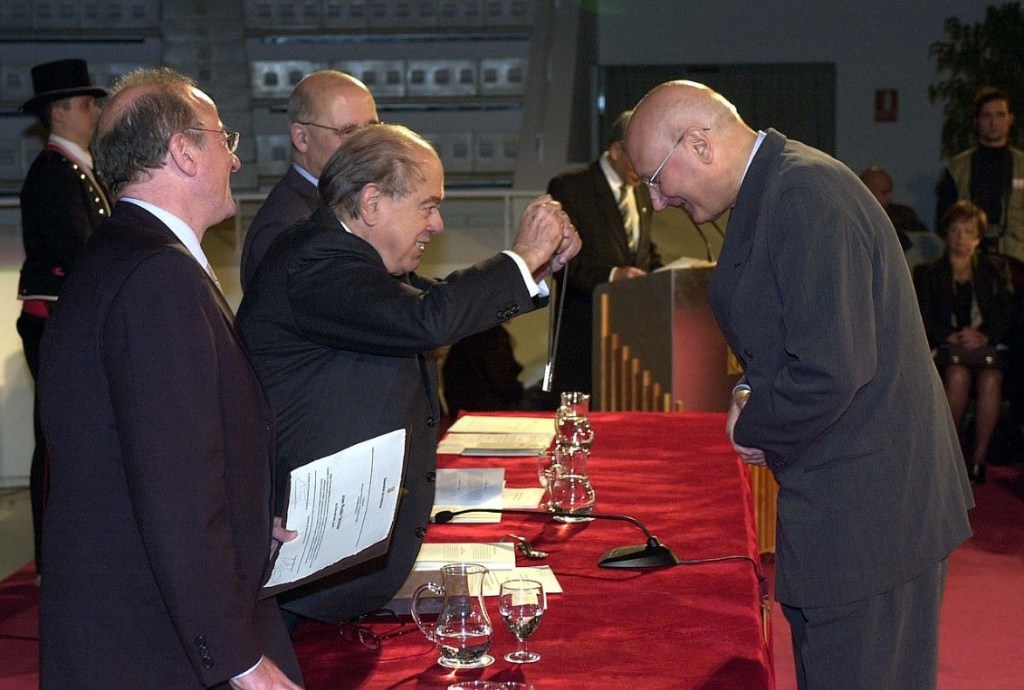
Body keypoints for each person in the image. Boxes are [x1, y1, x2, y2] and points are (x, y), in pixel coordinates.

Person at [624, 80, 973, 689]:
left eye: (655, 177)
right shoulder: (776, 188)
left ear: (700, 144)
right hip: (846, 506)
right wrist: (745, 391)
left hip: (871, 519)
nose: (656, 201)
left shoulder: (804, 194)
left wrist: (751, 424)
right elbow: (789, 337)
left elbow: (833, 368)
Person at [237, 124, 579, 623]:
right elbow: (426, 321)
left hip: (339, 571)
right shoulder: (315, 259)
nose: (437, 225)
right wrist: (521, 257)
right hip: (304, 576)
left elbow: (433, 304)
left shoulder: (346, 257)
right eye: (428, 205)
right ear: (372, 203)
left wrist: (535, 271)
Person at [37, 67, 303, 689]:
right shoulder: (158, 276)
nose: (235, 160)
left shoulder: (123, 255)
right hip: (154, 647)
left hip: (128, 625)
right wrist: (239, 660)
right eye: (223, 140)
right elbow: (173, 486)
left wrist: (246, 516)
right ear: (184, 151)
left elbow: (135, 453)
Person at [16, 58, 111, 577]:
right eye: (85, 104)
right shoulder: (55, 174)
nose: (95, 111)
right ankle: (53, 556)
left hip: (67, 323)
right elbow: (82, 253)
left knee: (67, 437)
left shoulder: (76, 169)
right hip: (55, 325)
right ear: (59, 112)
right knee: (56, 441)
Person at [547, 109, 661, 397]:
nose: (648, 164)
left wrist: (666, 276)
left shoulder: (643, 191)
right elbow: (561, 262)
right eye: (639, 154)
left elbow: (641, 249)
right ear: (615, 150)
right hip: (587, 335)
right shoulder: (571, 187)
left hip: (633, 333)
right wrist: (613, 275)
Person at [239, 70, 378, 289]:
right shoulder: (283, 227)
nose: (365, 144)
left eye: (371, 130)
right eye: (348, 131)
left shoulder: (341, 201)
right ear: (301, 137)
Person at [913, 201, 1016, 485]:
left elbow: (1008, 312)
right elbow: (920, 315)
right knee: (957, 376)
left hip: (985, 349)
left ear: (979, 237)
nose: (961, 238)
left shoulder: (995, 269)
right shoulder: (927, 273)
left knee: (991, 379)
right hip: (946, 348)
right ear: (946, 234)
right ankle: (951, 456)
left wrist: (984, 335)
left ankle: (978, 461)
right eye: (955, 230)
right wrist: (950, 336)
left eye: (968, 231)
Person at [936, 87, 1024, 260]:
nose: (993, 122)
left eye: (1000, 115)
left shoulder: (1022, 164)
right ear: (976, 121)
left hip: (1017, 257)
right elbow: (944, 220)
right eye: (987, 115)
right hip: (970, 258)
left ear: (1010, 119)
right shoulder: (957, 167)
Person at [442, 325, 526, 416]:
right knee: (541, 394)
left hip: (462, 417)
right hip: (493, 413)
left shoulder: (462, 340)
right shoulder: (491, 335)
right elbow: (506, 385)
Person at [859, 165, 927, 251]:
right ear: (867, 191)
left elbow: (925, 241)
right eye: (884, 192)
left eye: (890, 191)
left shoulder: (904, 216)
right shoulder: (852, 218)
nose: (890, 197)